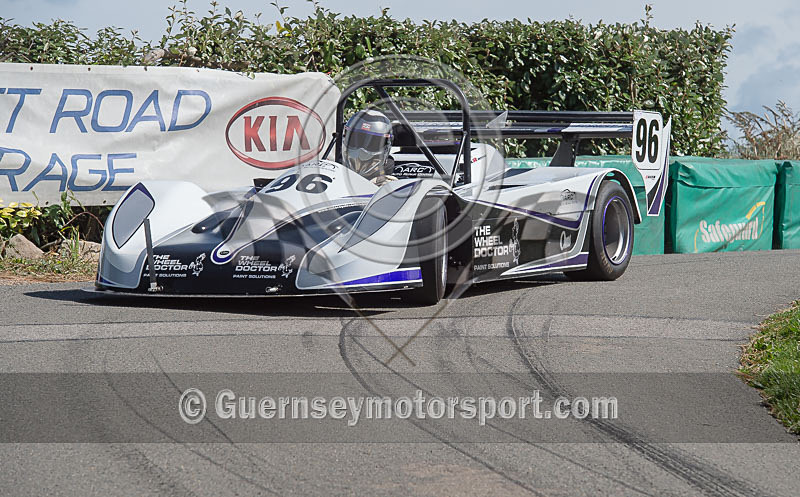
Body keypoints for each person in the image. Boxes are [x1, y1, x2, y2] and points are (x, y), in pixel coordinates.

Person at [343, 109, 397, 185]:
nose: (361, 149)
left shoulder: (387, 182)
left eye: (373, 142)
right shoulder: (336, 167)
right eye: (358, 139)